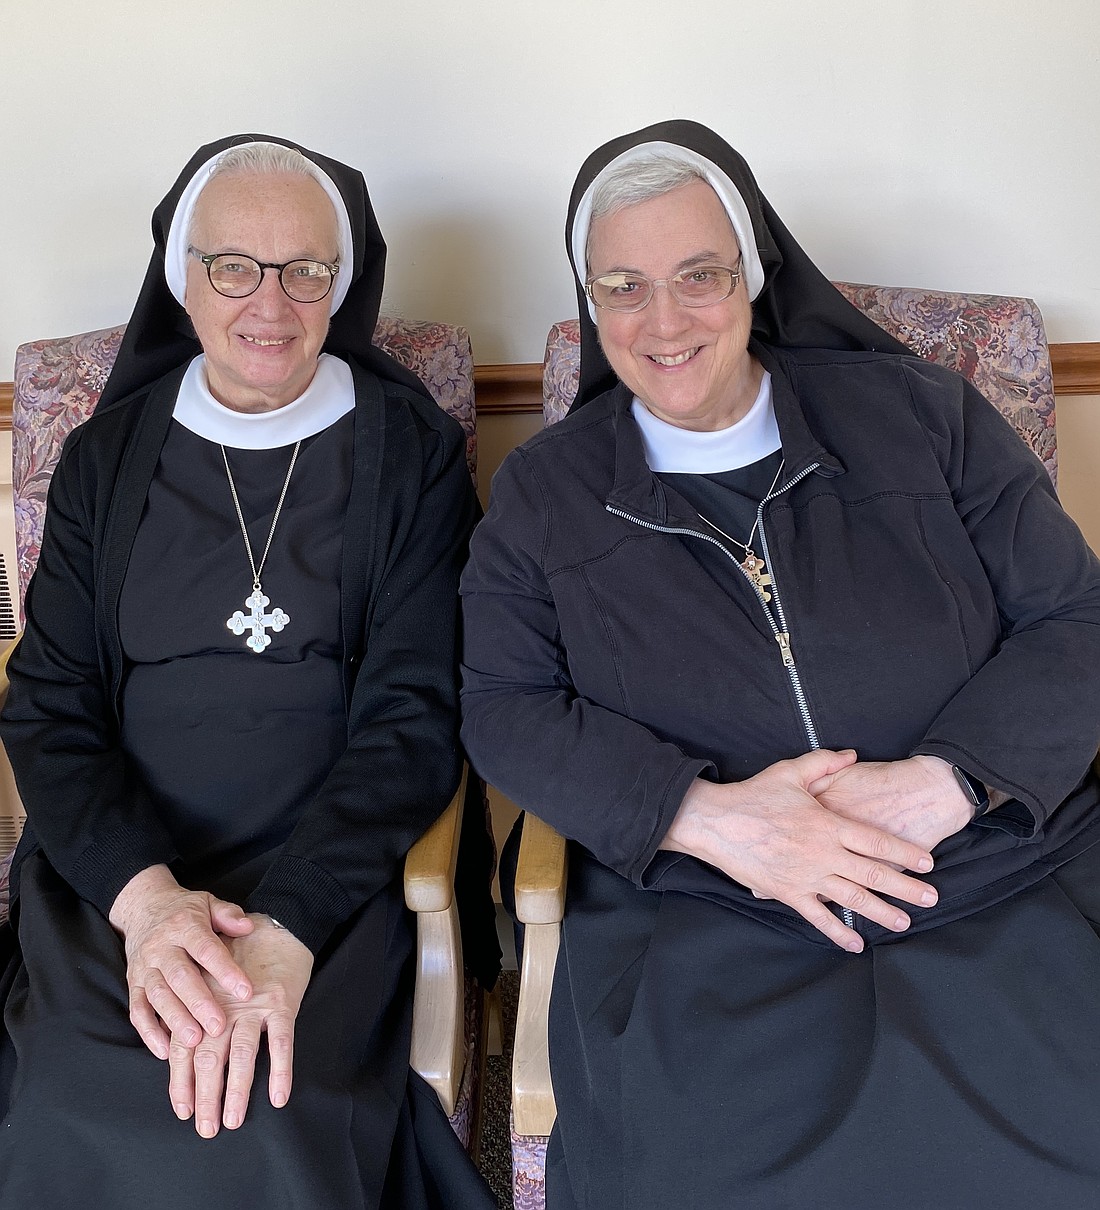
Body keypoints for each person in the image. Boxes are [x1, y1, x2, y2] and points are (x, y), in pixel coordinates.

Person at [460, 119, 1100, 1208]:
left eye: (696, 276)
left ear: (752, 277)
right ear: (591, 301)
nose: (663, 320)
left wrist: (945, 779)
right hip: (713, 913)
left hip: (995, 867)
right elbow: (503, 706)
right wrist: (707, 819)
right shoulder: (543, 495)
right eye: (622, 286)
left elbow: (1076, 619)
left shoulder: (924, 420)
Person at [0, 134, 497, 1209]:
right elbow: (48, 706)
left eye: (304, 269)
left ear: (342, 282)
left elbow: (414, 717)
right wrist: (149, 907)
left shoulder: (407, 455)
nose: (269, 302)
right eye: (235, 266)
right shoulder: (107, 453)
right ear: (185, 278)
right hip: (122, 871)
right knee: (74, 1095)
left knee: (270, 1101)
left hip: (325, 870)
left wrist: (288, 928)